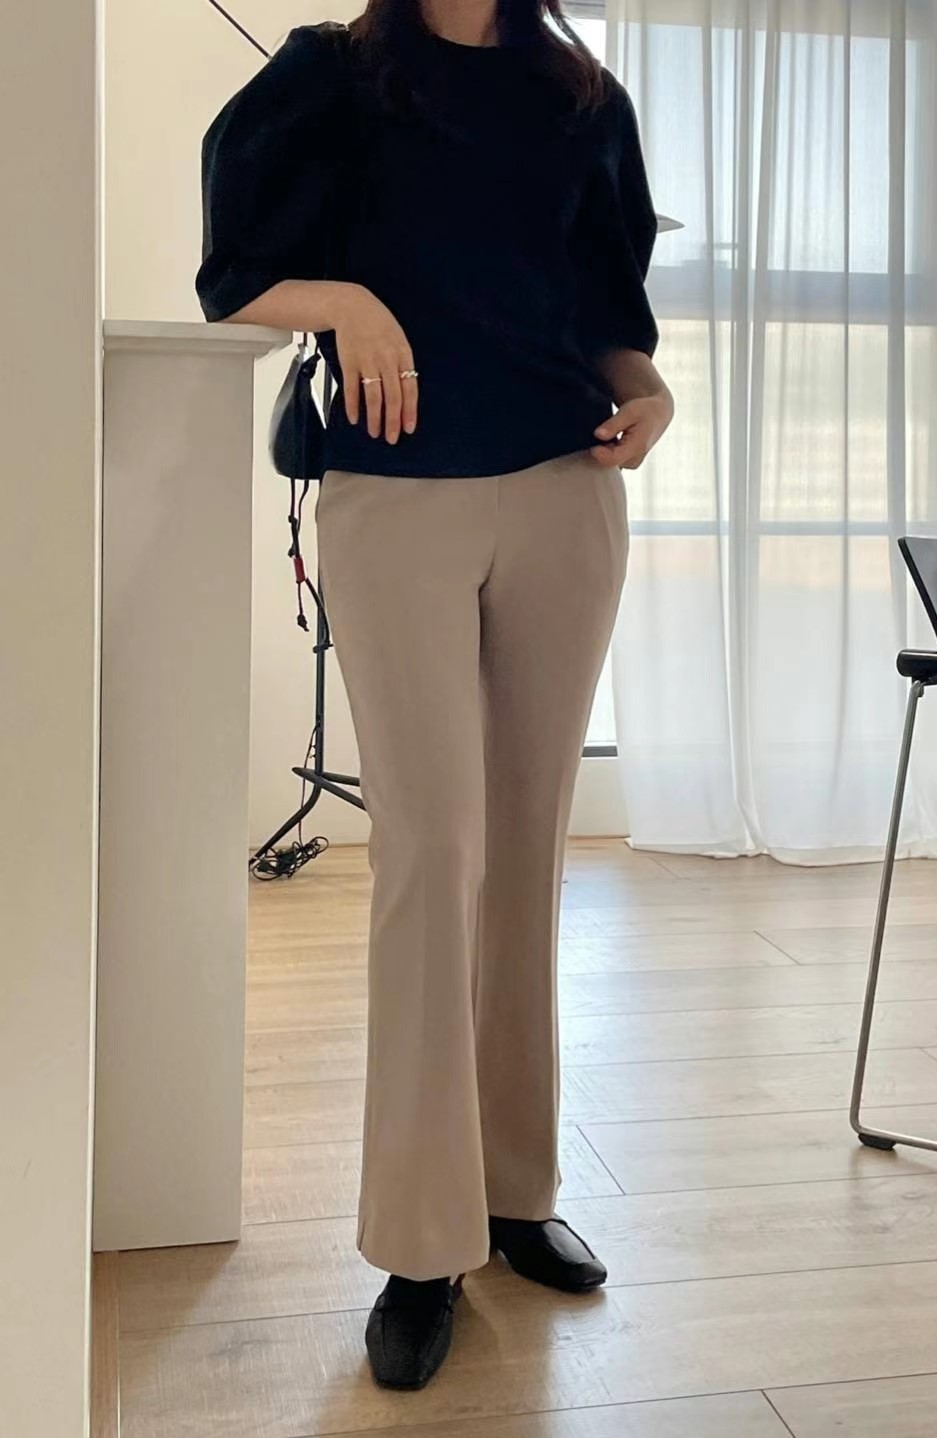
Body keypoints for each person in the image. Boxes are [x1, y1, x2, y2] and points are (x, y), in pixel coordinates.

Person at [196, 0, 672, 1390]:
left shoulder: (581, 95)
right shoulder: (331, 75)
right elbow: (233, 275)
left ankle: (515, 1190)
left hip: (566, 496)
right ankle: (420, 1241)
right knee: (430, 850)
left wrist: (649, 397)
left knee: (525, 848)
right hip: (395, 497)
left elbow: (610, 312)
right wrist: (344, 301)